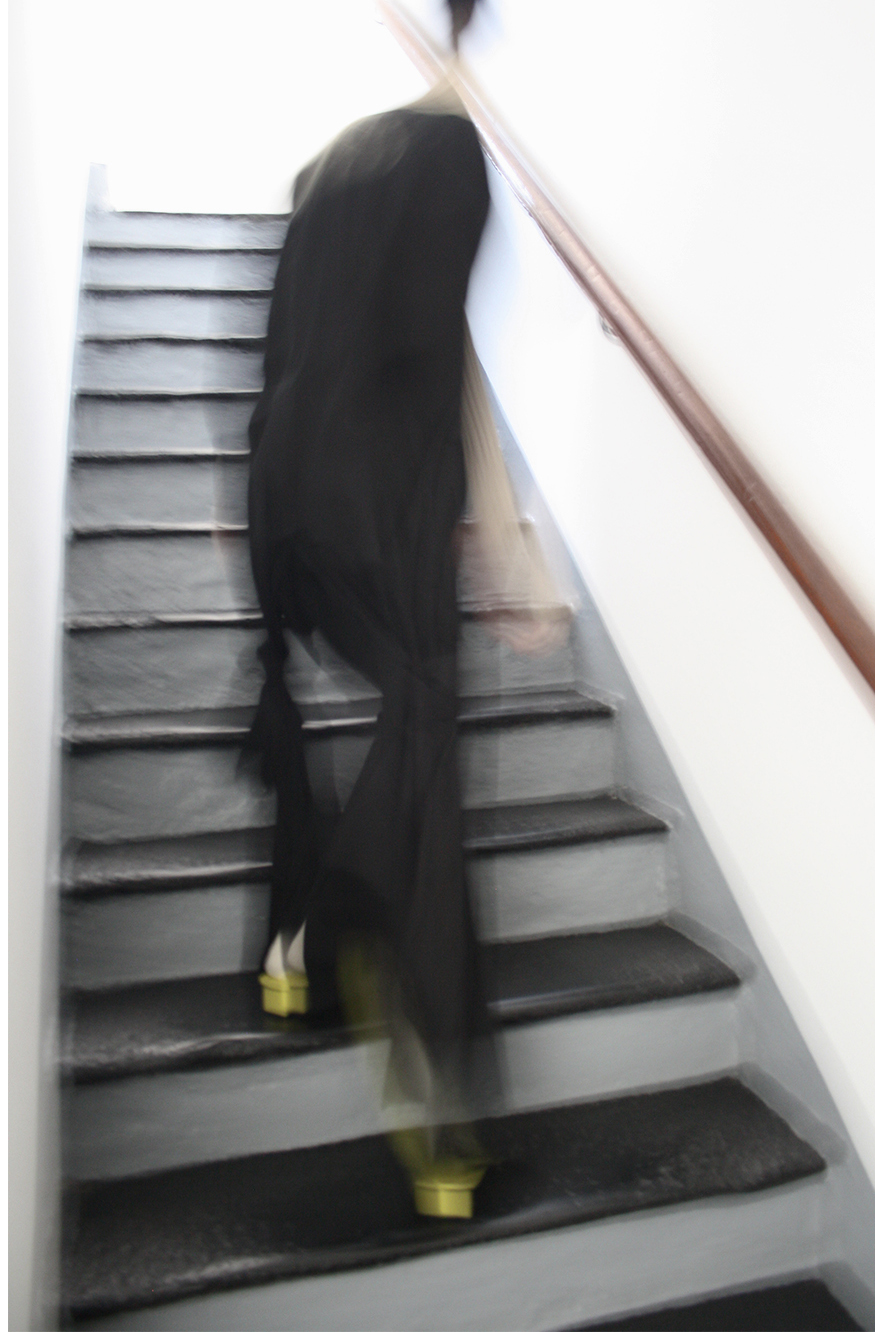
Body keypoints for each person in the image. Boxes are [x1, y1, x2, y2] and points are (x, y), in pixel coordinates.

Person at [243, 0, 560, 1217]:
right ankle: (337, 946)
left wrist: (258, 519)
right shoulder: (452, 156)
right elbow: (446, 353)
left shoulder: (332, 161)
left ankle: (319, 957)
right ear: (475, 39)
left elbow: (279, 349)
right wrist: (506, 539)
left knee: (414, 730)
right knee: (426, 739)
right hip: (384, 493)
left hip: (287, 493)